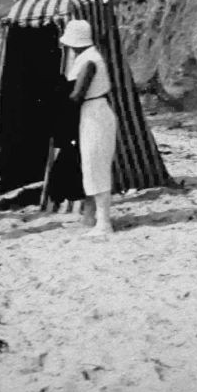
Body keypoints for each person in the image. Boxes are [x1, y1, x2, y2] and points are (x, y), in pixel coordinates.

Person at [61, 19, 119, 236]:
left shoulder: (89, 62)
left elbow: (77, 94)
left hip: (96, 113)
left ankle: (104, 223)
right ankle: (93, 218)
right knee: (91, 165)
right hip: (92, 112)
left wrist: (56, 100)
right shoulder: (88, 57)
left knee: (96, 165)